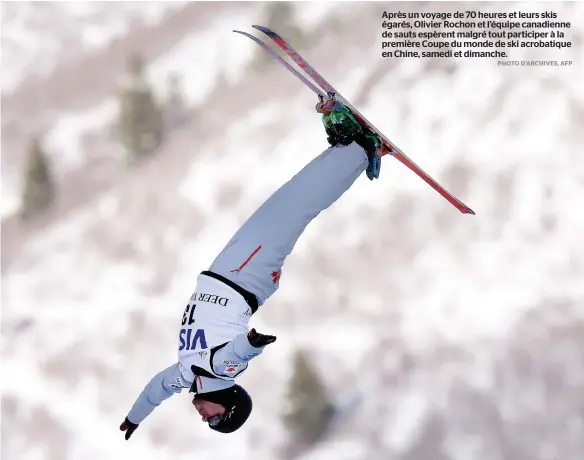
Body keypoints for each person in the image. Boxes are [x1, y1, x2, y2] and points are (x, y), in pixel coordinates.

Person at [119, 94, 391, 439]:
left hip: (226, 272)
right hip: (246, 274)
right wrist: (253, 342)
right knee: (293, 207)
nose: (206, 418)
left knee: (287, 203)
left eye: (210, 423)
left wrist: (134, 418)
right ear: (229, 403)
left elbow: (154, 391)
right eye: (217, 419)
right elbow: (239, 352)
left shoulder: (186, 375)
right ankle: (360, 148)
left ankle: (346, 150)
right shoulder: (222, 369)